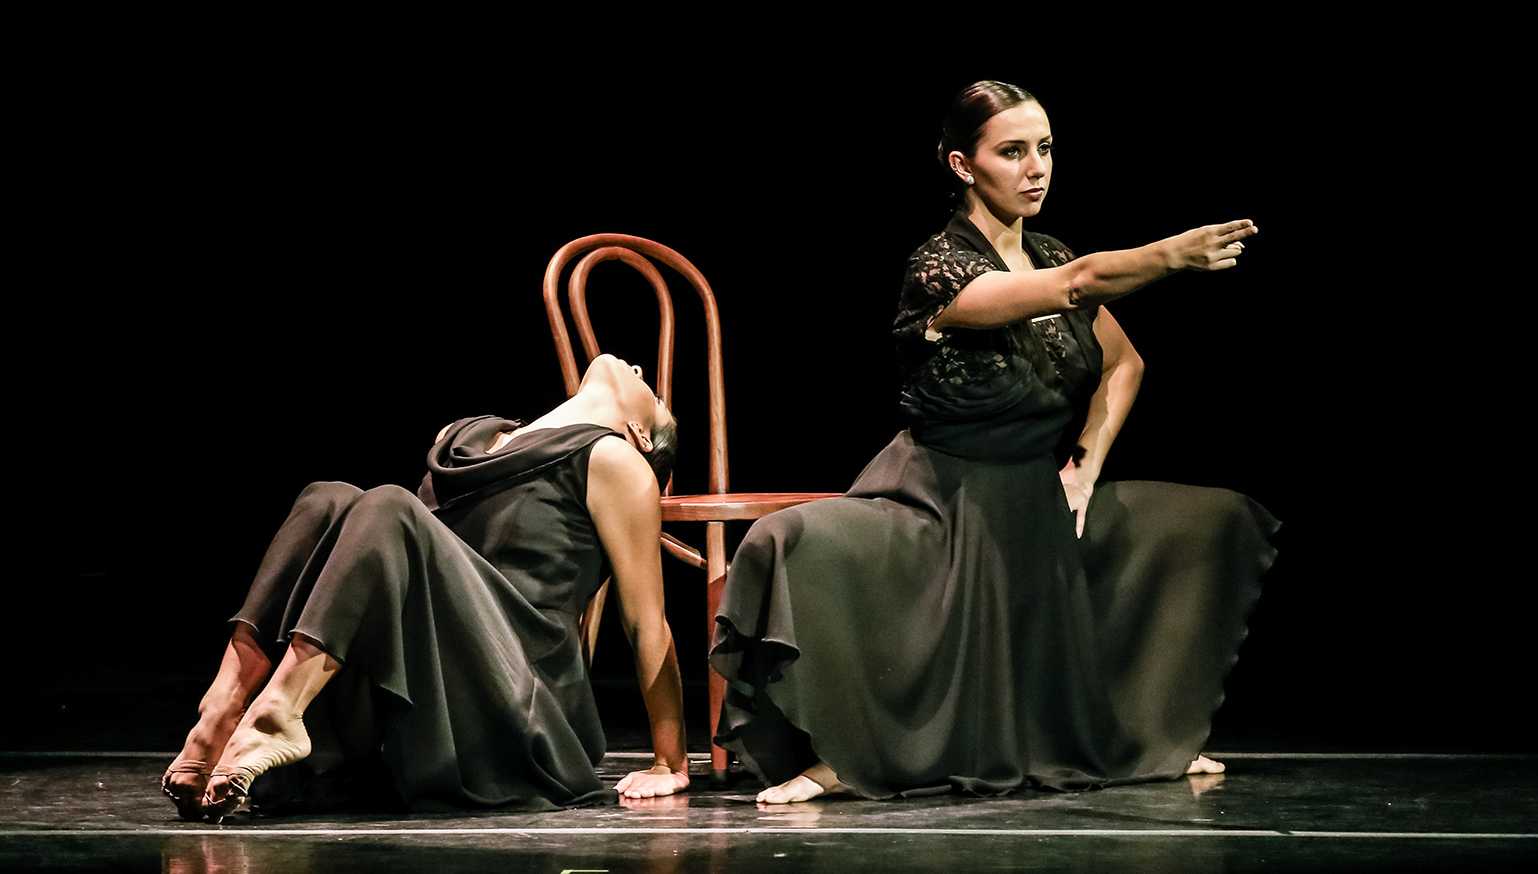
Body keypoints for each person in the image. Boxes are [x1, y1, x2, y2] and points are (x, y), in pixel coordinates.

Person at [709, 80, 1280, 803]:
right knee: (786, 538)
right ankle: (843, 755)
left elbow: (1125, 362)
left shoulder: (1046, 247)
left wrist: (1084, 468)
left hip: (1032, 492)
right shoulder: (940, 267)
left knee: (1210, 519)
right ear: (962, 165)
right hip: (939, 493)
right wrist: (1170, 255)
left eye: (1045, 148)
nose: (1036, 167)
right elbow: (1074, 287)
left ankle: (1133, 734)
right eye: (1012, 151)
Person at [160, 353, 690, 821]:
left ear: (640, 435)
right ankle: (223, 710)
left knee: (389, 505)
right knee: (326, 499)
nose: (640, 370)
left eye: (656, 397)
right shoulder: (467, 438)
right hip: (419, 692)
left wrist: (670, 762)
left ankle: (277, 715)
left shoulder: (617, 462)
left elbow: (646, 622)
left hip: (514, 707)